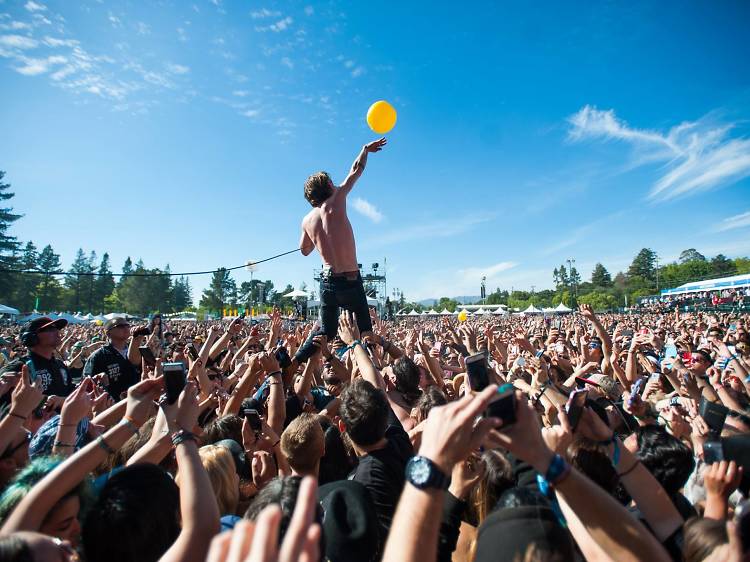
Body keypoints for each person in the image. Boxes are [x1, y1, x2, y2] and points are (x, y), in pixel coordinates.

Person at [294, 138, 388, 364]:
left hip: (328, 283)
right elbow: (356, 170)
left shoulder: (306, 220)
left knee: (326, 331)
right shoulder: (336, 199)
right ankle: (372, 370)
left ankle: (295, 361)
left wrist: (316, 238)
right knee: (365, 330)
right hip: (350, 279)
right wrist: (365, 150)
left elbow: (304, 250)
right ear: (328, 186)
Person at [82, 317, 141, 400]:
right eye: (120, 326)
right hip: (112, 405)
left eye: (127, 325)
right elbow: (87, 383)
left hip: (136, 401)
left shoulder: (137, 351)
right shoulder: (99, 356)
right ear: (108, 333)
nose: (126, 328)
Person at [19, 317, 73, 399]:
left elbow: (69, 393)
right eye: (50, 329)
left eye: (56, 328)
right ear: (32, 338)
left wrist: (90, 384)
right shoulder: (20, 368)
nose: (57, 332)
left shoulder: (60, 365)